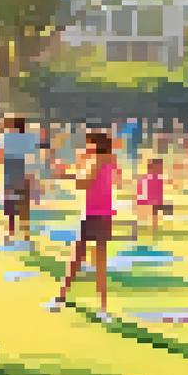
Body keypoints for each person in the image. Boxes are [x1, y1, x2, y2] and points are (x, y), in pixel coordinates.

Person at [47, 130, 123, 322]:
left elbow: (84, 183)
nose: (85, 147)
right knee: (99, 263)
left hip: (92, 215)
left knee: (76, 259)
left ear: (95, 144)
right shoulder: (108, 160)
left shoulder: (97, 160)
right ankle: (102, 308)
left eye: (88, 143)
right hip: (105, 215)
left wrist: (63, 175)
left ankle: (60, 299)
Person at [0, 116, 40, 250]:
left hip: (11, 172)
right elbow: (34, 157)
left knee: (11, 206)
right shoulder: (30, 138)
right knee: (24, 206)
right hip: (25, 172)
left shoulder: (5, 137)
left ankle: (10, 234)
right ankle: (26, 236)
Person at [136, 158, 170, 238]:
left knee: (154, 214)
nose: (158, 170)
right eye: (157, 167)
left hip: (155, 199)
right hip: (147, 199)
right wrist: (141, 197)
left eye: (159, 168)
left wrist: (159, 200)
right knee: (146, 213)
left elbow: (159, 190)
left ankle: (154, 227)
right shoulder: (147, 178)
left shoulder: (158, 178)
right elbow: (143, 188)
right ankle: (145, 226)